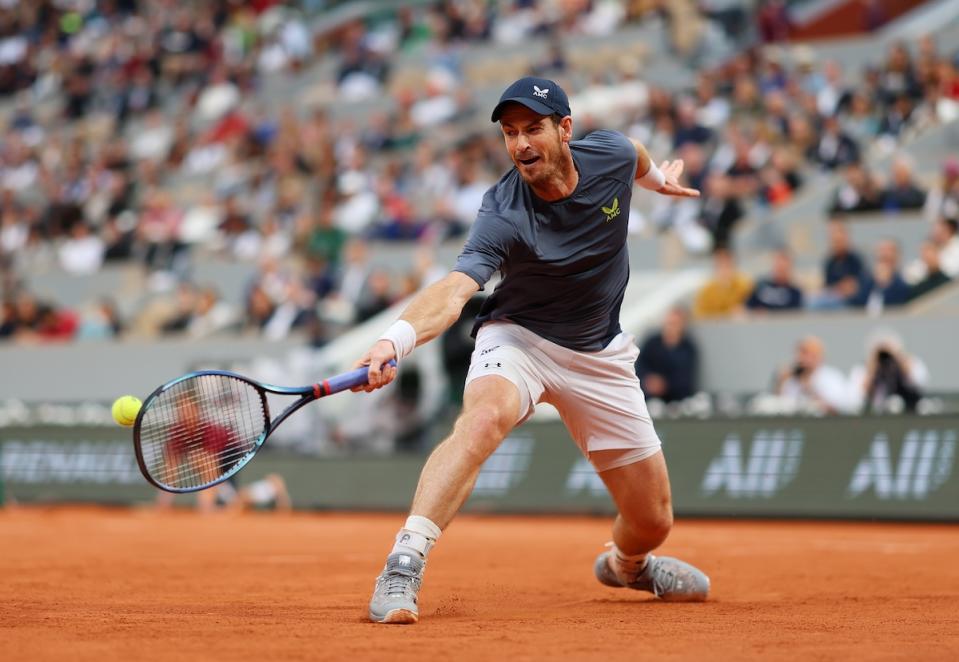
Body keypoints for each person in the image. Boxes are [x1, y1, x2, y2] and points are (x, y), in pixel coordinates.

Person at [352, 76, 710, 625]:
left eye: (532, 129)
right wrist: (393, 338)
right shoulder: (503, 211)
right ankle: (404, 562)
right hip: (519, 337)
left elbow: (635, 155)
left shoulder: (610, 154)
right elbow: (455, 290)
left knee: (653, 520)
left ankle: (629, 566)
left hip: (598, 352)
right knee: (481, 421)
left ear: (564, 130)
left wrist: (659, 181)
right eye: (509, 132)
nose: (520, 143)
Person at [848, 331, 929, 414]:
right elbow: (855, 400)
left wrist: (898, 359)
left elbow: (919, 384)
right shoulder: (862, 369)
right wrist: (872, 367)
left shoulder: (909, 363)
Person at [774, 336, 854, 415]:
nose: (800, 358)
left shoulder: (831, 377)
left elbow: (841, 408)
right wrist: (780, 383)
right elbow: (779, 405)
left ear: (818, 356)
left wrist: (809, 389)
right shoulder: (791, 379)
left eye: (805, 353)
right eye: (798, 352)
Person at [635, 306, 699, 403]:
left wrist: (664, 385)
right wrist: (648, 380)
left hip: (675, 400)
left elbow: (685, 379)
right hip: (647, 396)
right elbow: (639, 365)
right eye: (668, 323)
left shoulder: (688, 348)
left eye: (675, 324)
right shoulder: (652, 343)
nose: (670, 328)